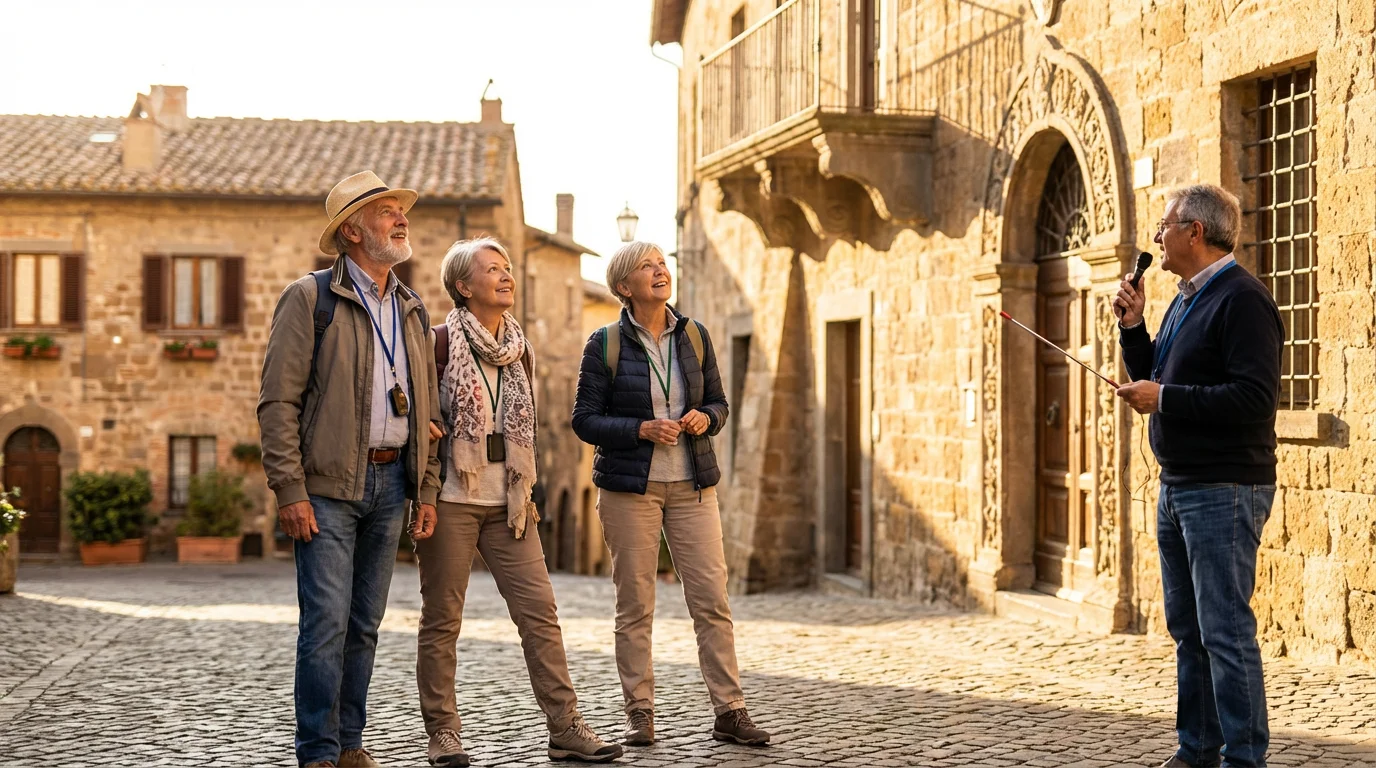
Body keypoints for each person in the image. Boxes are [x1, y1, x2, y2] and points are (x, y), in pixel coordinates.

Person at [416, 237, 622, 766]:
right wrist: (426, 483)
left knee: (540, 614)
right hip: (454, 498)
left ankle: (565, 726)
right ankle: (444, 733)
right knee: (443, 619)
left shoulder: (519, 350)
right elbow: (418, 425)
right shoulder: (437, 343)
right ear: (464, 286)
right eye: (492, 269)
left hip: (510, 499)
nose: (506, 276)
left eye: (507, 268)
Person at [259, 171, 442, 768]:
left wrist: (426, 487)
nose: (400, 217)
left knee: (365, 624)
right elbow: (277, 402)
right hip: (329, 488)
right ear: (353, 230)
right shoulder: (309, 299)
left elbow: (428, 405)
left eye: (399, 209)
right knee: (326, 625)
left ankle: (349, 744)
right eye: (386, 210)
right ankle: (316, 750)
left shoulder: (412, 307)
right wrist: (290, 488)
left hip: (392, 485)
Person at [571, 241, 770, 748]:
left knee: (711, 601)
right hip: (630, 491)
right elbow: (584, 421)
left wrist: (708, 418)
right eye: (646, 266)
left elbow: (719, 404)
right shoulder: (605, 343)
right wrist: (641, 429)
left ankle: (729, 709)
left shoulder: (695, 336)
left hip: (693, 488)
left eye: (662, 263)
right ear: (624, 286)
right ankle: (640, 712)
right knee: (635, 605)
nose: (660, 271)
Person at [1114, 184, 1283, 768]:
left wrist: (1166, 399)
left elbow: (1253, 399)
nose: (1156, 237)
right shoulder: (1185, 299)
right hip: (1178, 485)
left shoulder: (1243, 300)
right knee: (1188, 629)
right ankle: (1198, 751)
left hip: (1224, 488)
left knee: (1225, 632)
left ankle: (1244, 758)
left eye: (1165, 226)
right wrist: (1136, 330)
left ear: (1195, 232)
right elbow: (1160, 374)